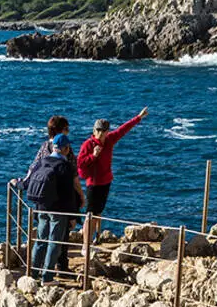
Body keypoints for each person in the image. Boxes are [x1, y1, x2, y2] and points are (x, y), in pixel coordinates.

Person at [25, 133, 83, 280]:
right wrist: (73, 216)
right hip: (58, 210)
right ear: (64, 148)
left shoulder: (43, 161)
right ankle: (47, 277)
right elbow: (68, 195)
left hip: (42, 207)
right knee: (54, 243)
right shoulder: (65, 166)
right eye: (68, 147)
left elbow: (31, 178)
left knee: (40, 240)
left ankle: (33, 273)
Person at [76, 107, 148, 223]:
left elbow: (123, 129)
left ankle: (97, 237)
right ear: (94, 131)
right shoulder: (88, 145)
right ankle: (86, 240)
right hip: (93, 183)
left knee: (99, 212)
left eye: (103, 131)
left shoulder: (110, 140)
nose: (100, 133)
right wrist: (93, 156)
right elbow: (80, 163)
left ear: (107, 132)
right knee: (90, 215)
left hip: (106, 181)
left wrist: (138, 117)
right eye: (98, 130)